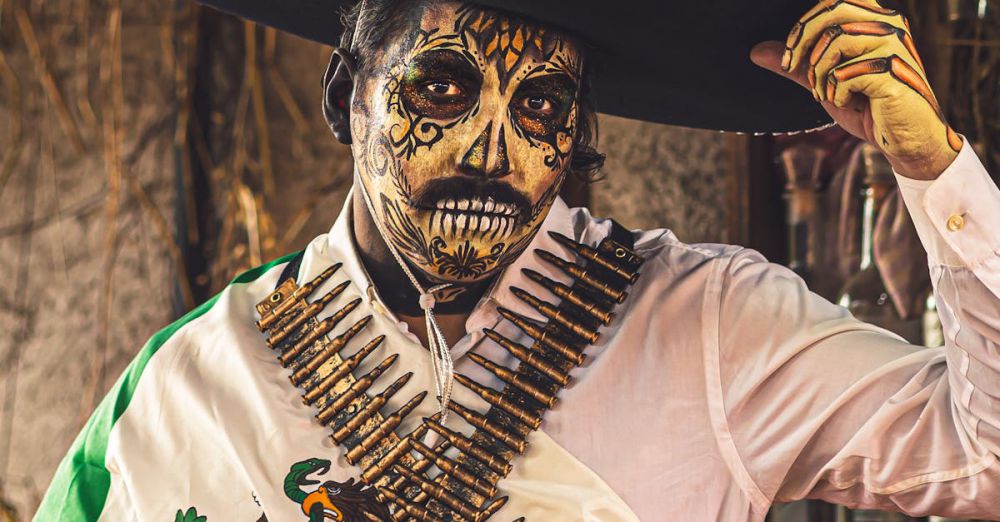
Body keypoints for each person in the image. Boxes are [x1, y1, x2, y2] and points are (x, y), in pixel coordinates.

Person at [36, 0, 1000, 520]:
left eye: (540, 106)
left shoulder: (710, 326)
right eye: (444, 86)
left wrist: (938, 172)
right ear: (347, 95)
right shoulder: (184, 390)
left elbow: (986, 464)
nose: (495, 153)